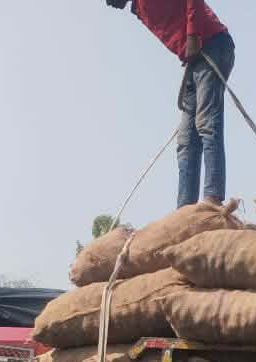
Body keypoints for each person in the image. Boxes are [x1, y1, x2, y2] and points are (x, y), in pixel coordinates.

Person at [107, 0, 235, 207]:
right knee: (186, 140)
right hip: (195, 59)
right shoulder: (138, 8)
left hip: (212, 44)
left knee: (206, 123)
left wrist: (192, 35)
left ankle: (213, 196)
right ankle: (185, 207)